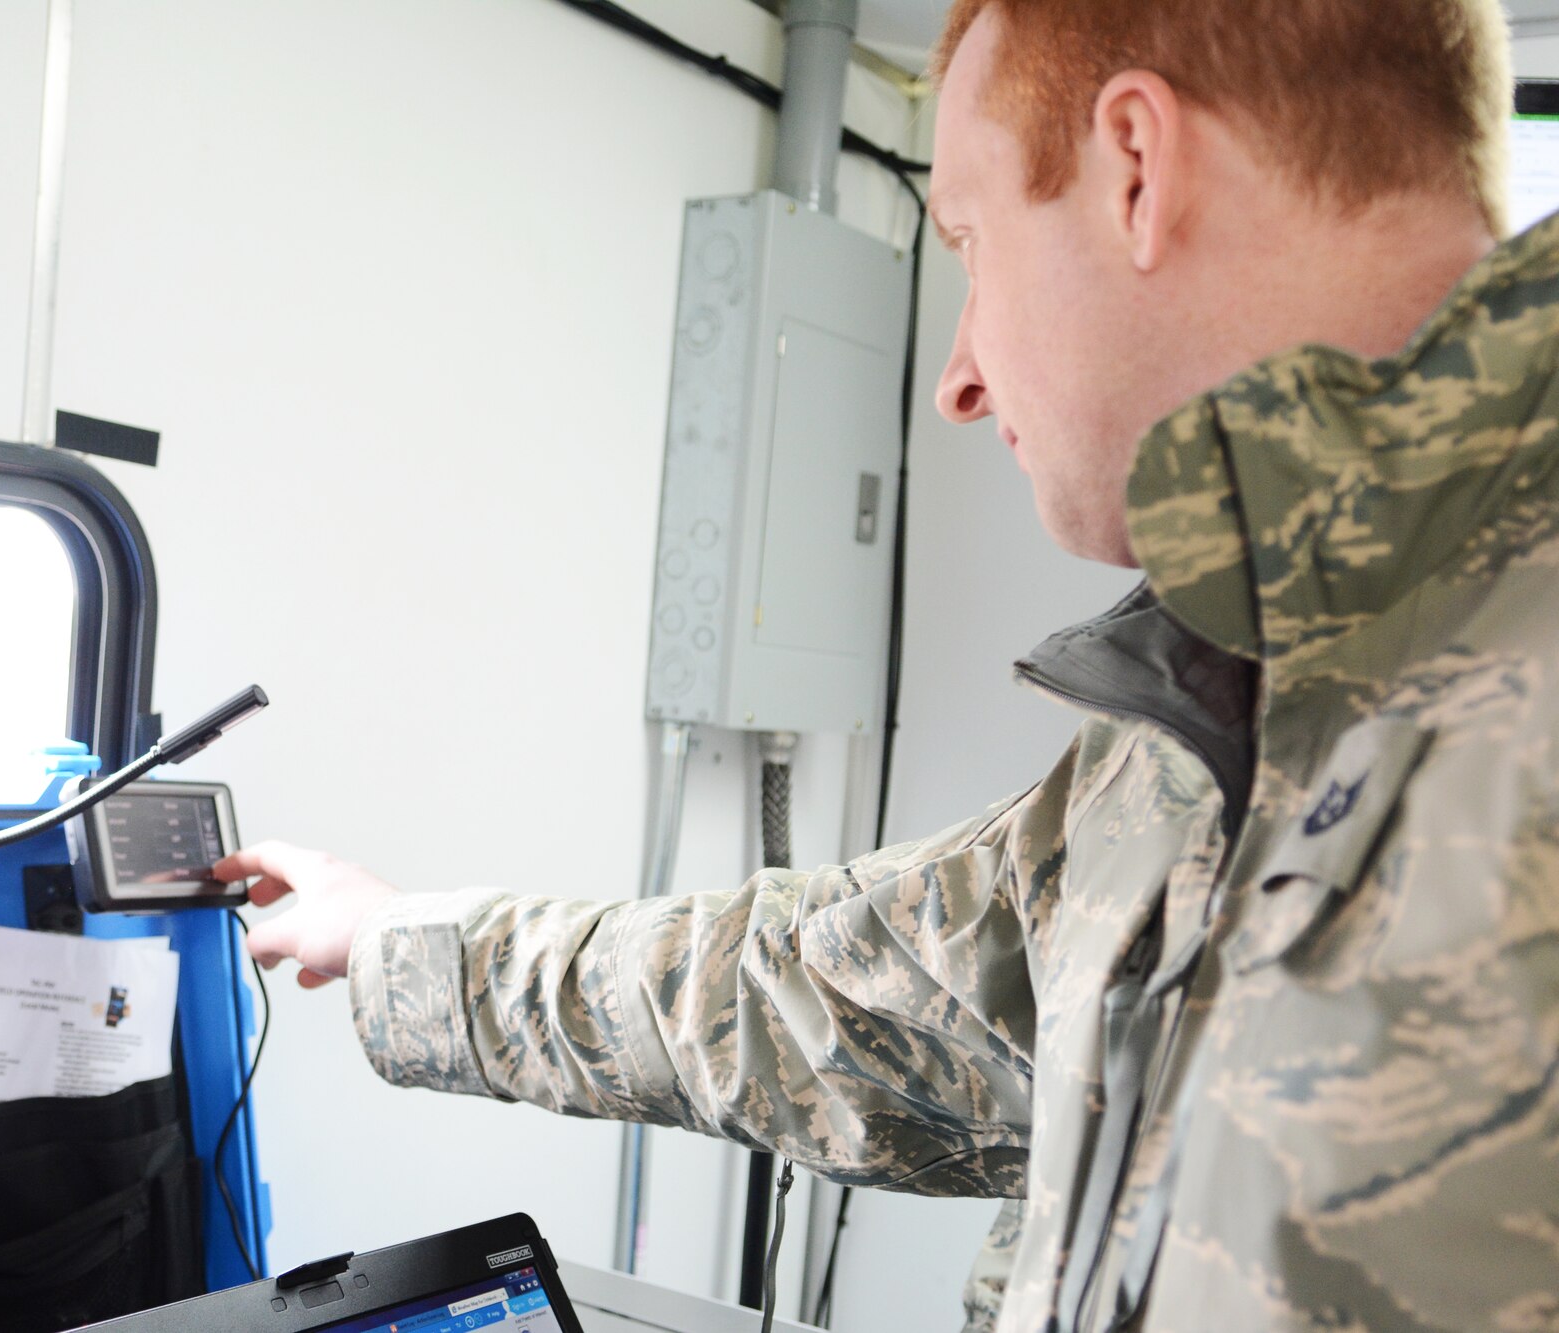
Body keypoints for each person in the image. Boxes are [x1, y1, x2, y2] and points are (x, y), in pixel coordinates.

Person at [215, 1, 1559, 1328]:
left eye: (971, 244)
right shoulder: (1216, 700)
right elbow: (826, 986)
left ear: (1136, 169)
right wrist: (398, 944)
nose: (957, 379)